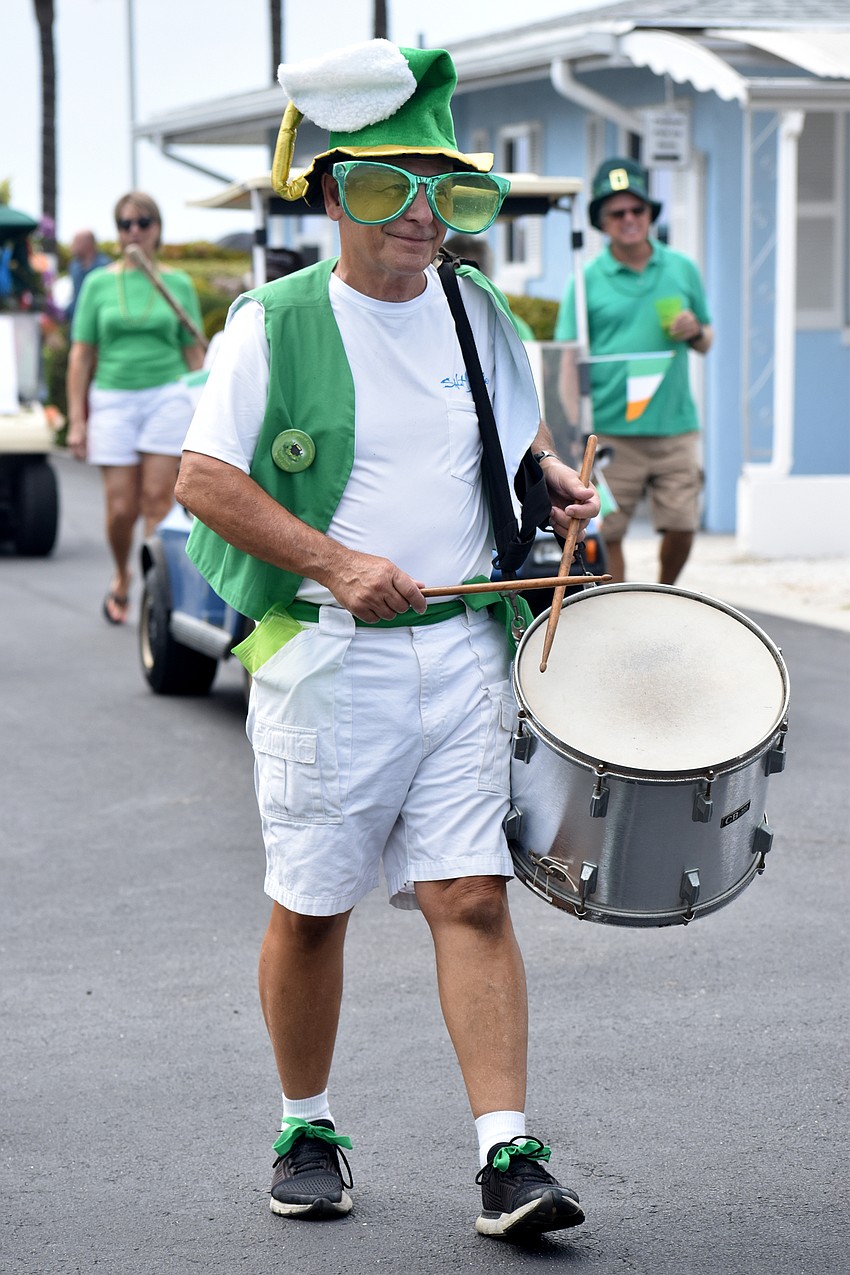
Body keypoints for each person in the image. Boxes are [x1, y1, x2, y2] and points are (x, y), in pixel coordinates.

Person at [175, 39, 599, 1242]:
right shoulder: (273, 324)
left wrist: (552, 477)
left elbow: (506, 444)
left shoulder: (480, 313)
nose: (419, 216)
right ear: (328, 193)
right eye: (384, 186)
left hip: (466, 651)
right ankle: (307, 1125)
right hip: (325, 659)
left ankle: (507, 1155)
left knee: (470, 895)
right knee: (312, 906)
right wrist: (335, 563)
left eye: (443, 191)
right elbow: (205, 481)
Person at [556, 157, 713, 585]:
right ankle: (624, 603)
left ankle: (664, 591)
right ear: (602, 222)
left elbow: (707, 339)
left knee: (683, 524)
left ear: (649, 214)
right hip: (611, 429)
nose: (629, 219)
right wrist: (573, 426)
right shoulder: (585, 279)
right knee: (609, 534)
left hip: (674, 424)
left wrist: (694, 329)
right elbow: (570, 359)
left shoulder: (681, 268)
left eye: (636, 210)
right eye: (616, 212)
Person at [66, 192, 205, 624]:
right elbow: (81, 355)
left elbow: (194, 355)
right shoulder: (99, 283)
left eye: (143, 222)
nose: (135, 231)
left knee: (157, 499)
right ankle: (122, 572)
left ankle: (152, 591)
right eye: (125, 224)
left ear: (158, 228)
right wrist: (76, 420)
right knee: (121, 508)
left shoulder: (178, 282)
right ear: (117, 230)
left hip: (167, 396)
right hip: (113, 399)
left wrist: (208, 414)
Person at [65, 230, 111, 321]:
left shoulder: (105, 266)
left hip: (98, 320)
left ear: (87, 244)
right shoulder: (74, 266)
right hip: (76, 321)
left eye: (75, 243)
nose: (71, 247)